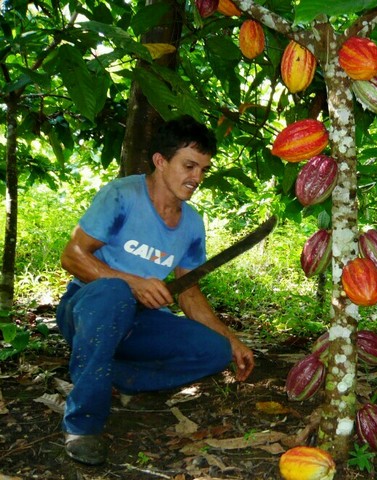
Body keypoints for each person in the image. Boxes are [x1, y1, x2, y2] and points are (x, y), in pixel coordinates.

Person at [56, 115, 255, 465]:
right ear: (161, 161)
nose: (197, 178)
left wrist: (231, 338)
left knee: (215, 350)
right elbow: (72, 256)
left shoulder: (191, 223)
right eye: (189, 166)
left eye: (203, 170)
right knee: (115, 293)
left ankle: (116, 375)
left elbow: (189, 293)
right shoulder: (123, 195)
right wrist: (133, 283)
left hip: (139, 323)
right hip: (88, 310)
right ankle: (83, 425)